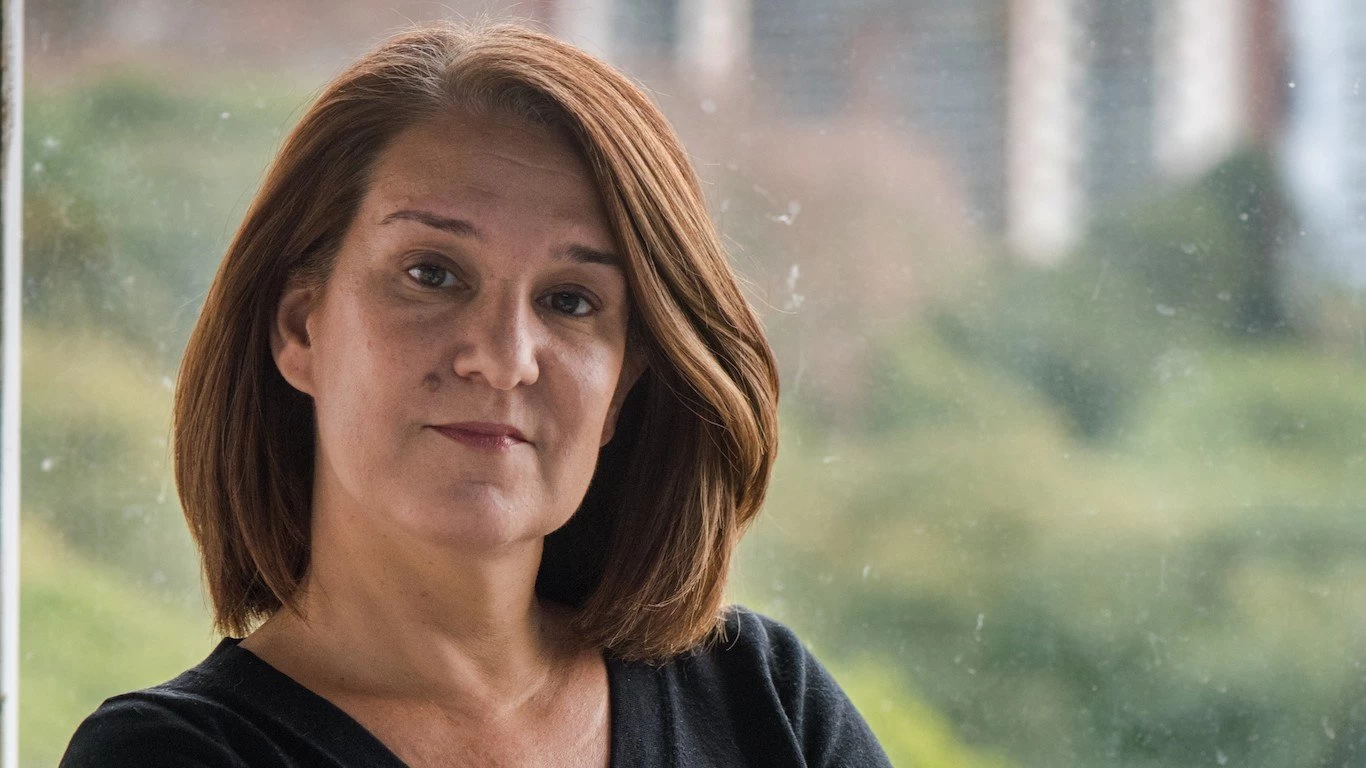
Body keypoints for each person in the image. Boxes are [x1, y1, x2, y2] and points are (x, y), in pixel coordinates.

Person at [58, 19, 893, 768]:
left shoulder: (762, 702)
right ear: (300, 329)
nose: (502, 359)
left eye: (570, 301)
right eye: (432, 274)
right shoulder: (171, 756)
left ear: (622, 386)